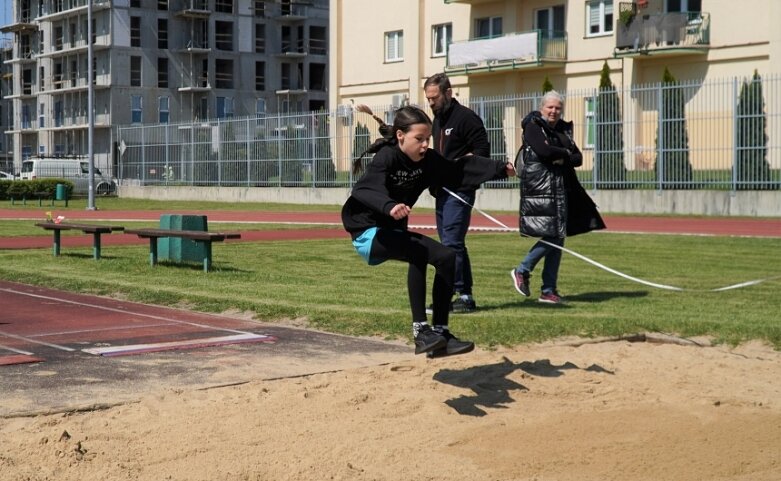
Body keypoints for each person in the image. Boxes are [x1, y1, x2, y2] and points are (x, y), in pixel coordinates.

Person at [342, 106, 515, 357]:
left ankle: (441, 334)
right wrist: (389, 206)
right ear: (400, 135)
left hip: (393, 232)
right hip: (367, 232)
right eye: (419, 139)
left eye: (427, 139)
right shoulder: (387, 157)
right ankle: (421, 332)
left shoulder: (429, 160)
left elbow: (460, 170)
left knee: (446, 257)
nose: (424, 145)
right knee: (422, 254)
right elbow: (364, 189)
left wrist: (500, 169)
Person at [510, 90, 605, 304]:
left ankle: (548, 290)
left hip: (561, 190)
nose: (553, 111)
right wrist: (564, 154)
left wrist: (560, 155)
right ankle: (522, 270)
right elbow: (543, 152)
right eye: (550, 107)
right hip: (541, 190)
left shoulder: (563, 130)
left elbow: (578, 158)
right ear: (542, 108)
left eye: (557, 108)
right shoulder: (533, 126)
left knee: (558, 237)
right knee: (553, 236)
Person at [424, 73, 491, 313]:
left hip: (460, 190)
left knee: (452, 242)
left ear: (448, 93)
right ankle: (453, 295)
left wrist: (456, 168)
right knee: (450, 244)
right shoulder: (437, 120)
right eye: (428, 99)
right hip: (441, 191)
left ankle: (464, 297)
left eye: (434, 98)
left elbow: (482, 151)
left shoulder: (466, 118)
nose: (431, 103)